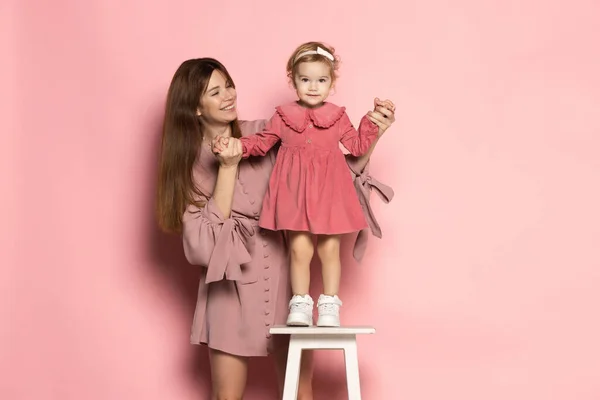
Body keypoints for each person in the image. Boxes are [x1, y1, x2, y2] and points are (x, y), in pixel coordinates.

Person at [156, 56, 395, 399]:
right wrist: (228, 166)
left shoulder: (265, 132)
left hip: (286, 285)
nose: (228, 96)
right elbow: (206, 246)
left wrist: (374, 132)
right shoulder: (189, 164)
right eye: (215, 91)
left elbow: (331, 175)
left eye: (229, 85)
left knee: (301, 393)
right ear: (194, 107)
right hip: (228, 293)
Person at [212, 41, 395, 328]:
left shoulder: (337, 116)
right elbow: (261, 142)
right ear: (293, 80)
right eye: (305, 79)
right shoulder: (284, 116)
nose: (313, 86)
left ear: (331, 83)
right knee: (299, 249)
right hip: (295, 195)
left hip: (330, 194)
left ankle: (329, 305)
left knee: (329, 250)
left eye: (321, 80)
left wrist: (373, 122)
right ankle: (299, 303)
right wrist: (236, 144)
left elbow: (357, 146)